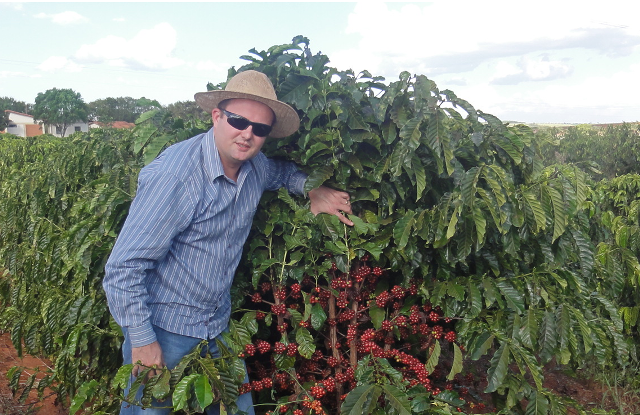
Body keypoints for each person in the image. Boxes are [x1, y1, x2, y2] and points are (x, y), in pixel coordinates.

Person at [102, 70, 354, 415]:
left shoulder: (254, 167)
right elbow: (123, 269)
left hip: (216, 326)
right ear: (217, 116)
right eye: (238, 120)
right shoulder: (176, 177)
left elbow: (279, 173)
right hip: (164, 330)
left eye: (260, 129)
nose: (247, 134)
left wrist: (311, 187)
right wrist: (144, 342)